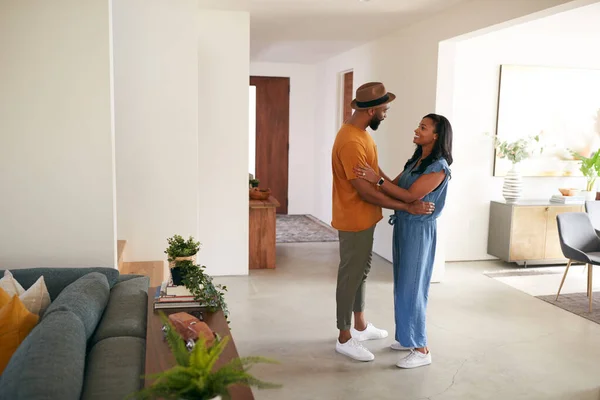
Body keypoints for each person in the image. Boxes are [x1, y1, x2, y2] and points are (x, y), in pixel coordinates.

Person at [331, 82, 436, 362]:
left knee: (360, 272)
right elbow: (364, 190)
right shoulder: (352, 141)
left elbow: (376, 175)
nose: (386, 114)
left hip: (364, 217)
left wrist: (400, 194)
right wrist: (407, 206)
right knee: (350, 275)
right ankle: (344, 337)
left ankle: (361, 326)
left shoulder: (360, 134)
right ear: (373, 110)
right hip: (354, 217)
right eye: (385, 109)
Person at [354, 113, 453, 368]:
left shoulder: (438, 166)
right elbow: (392, 185)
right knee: (403, 285)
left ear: (436, 135)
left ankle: (421, 349)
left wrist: (376, 178)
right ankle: (407, 338)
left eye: (423, 127)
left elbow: (409, 195)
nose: (417, 129)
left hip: (419, 231)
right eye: (418, 125)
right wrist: (373, 172)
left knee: (413, 288)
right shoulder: (417, 161)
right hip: (404, 227)